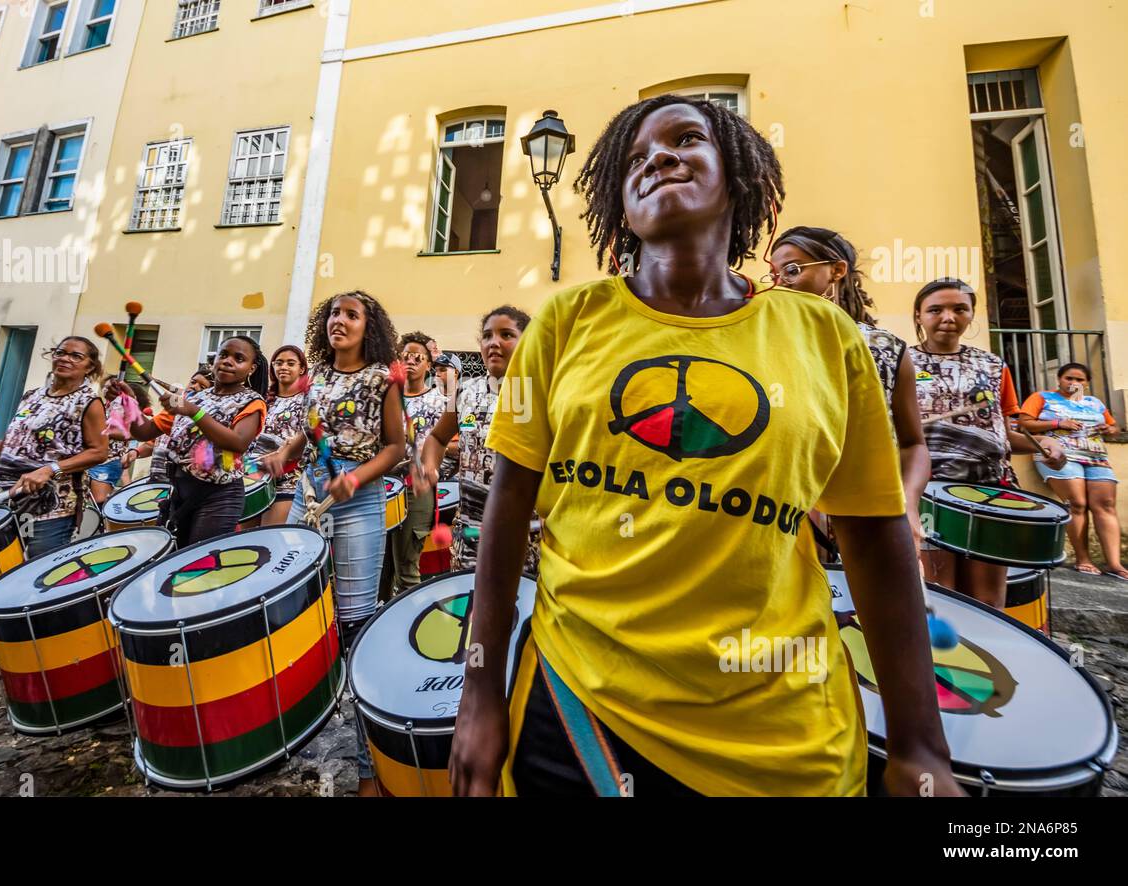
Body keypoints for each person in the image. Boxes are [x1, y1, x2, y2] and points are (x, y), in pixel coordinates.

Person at [448, 95, 961, 797]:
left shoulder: (825, 337)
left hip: (784, 734)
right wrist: (479, 695)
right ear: (619, 206)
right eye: (635, 157)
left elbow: (875, 537)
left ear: (738, 177)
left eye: (687, 139)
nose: (657, 157)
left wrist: (920, 746)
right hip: (577, 714)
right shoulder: (567, 321)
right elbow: (506, 514)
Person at [260, 290, 405, 798]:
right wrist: (284, 452)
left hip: (358, 498)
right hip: (308, 490)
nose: (338, 322)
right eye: (333, 315)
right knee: (300, 603)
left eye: (351, 315)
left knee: (354, 619)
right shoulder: (315, 378)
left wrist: (356, 479)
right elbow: (310, 432)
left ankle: (370, 768)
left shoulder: (383, 377)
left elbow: (396, 448)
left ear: (370, 327)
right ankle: (300, 720)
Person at [769, 227, 931, 552]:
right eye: (773, 274)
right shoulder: (766, 343)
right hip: (785, 516)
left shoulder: (886, 350)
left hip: (867, 517)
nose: (779, 282)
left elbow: (914, 445)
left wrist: (908, 505)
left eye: (792, 270)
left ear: (837, 270)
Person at [910, 277, 1066, 607]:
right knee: (939, 597)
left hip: (991, 491)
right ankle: (942, 660)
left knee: (988, 601)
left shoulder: (993, 366)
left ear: (971, 315)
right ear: (919, 315)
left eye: (959, 309)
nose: (948, 317)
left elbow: (1001, 433)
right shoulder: (900, 363)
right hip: (927, 491)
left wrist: (1044, 444)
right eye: (935, 310)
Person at [0, 337, 109, 559]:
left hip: (52, 505)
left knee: (38, 570)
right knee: (0, 562)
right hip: (9, 496)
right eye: (60, 352)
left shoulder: (89, 402)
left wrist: (50, 469)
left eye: (76, 356)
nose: (65, 359)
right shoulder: (32, 396)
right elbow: (13, 440)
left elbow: (99, 451)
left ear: (90, 367)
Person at [414, 307, 540, 575]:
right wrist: (429, 467)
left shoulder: (541, 393)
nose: (493, 342)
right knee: (472, 608)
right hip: (471, 533)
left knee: (523, 609)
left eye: (506, 334)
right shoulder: (464, 392)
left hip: (527, 535)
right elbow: (437, 437)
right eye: (487, 336)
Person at [128, 337, 265, 547]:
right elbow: (143, 432)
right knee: (167, 562)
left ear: (251, 369)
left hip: (218, 497)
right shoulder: (190, 398)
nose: (228, 361)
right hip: (179, 492)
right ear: (214, 360)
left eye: (239, 359)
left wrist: (193, 411)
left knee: (196, 571)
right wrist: (128, 402)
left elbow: (238, 443)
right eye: (224, 355)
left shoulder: (252, 402)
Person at [1017, 362, 1126, 579]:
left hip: (1095, 456)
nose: (1074, 383)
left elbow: (1114, 428)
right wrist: (1058, 423)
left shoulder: (1094, 403)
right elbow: (1024, 424)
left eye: (1080, 380)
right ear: (1059, 379)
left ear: (1086, 383)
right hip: (1058, 454)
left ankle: (1114, 564)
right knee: (1077, 503)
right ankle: (1083, 559)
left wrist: (1110, 429)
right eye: (1069, 378)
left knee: (1106, 505)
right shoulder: (1043, 397)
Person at [389, 332, 448, 596]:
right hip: (383, 485)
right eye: (405, 357)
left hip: (417, 487)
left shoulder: (440, 401)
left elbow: (449, 442)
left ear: (428, 365)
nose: (410, 361)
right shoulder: (386, 399)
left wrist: (428, 460)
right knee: (380, 563)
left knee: (407, 563)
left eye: (417, 357)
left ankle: (408, 615)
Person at [258, 346, 308, 526]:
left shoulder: (308, 399)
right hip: (256, 477)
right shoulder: (262, 400)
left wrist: (285, 451)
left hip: (289, 479)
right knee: (243, 540)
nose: (283, 367)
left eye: (290, 363)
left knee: (269, 539)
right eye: (278, 363)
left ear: (301, 369)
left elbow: (309, 436)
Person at [139, 367, 212, 483]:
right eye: (193, 382)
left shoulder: (201, 414)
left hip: (182, 482)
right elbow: (151, 439)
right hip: (157, 479)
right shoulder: (179, 402)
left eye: (202, 387)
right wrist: (154, 380)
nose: (194, 387)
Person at [89, 375, 150, 505]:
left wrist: (101, 430)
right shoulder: (102, 406)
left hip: (109, 459)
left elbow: (133, 432)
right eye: (105, 387)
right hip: (90, 457)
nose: (106, 390)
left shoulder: (126, 407)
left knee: (97, 500)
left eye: (109, 387)